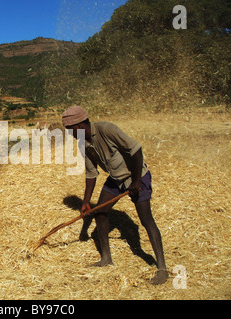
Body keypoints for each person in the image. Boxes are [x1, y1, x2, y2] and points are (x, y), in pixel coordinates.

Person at [62, 105, 168, 285]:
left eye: (69, 129)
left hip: (137, 176)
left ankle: (162, 269)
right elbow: (91, 174)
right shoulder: (84, 144)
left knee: (146, 220)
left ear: (79, 125)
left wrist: (136, 182)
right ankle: (106, 259)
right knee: (100, 213)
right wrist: (86, 203)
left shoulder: (107, 129)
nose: (69, 133)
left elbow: (136, 151)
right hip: (115, 179)